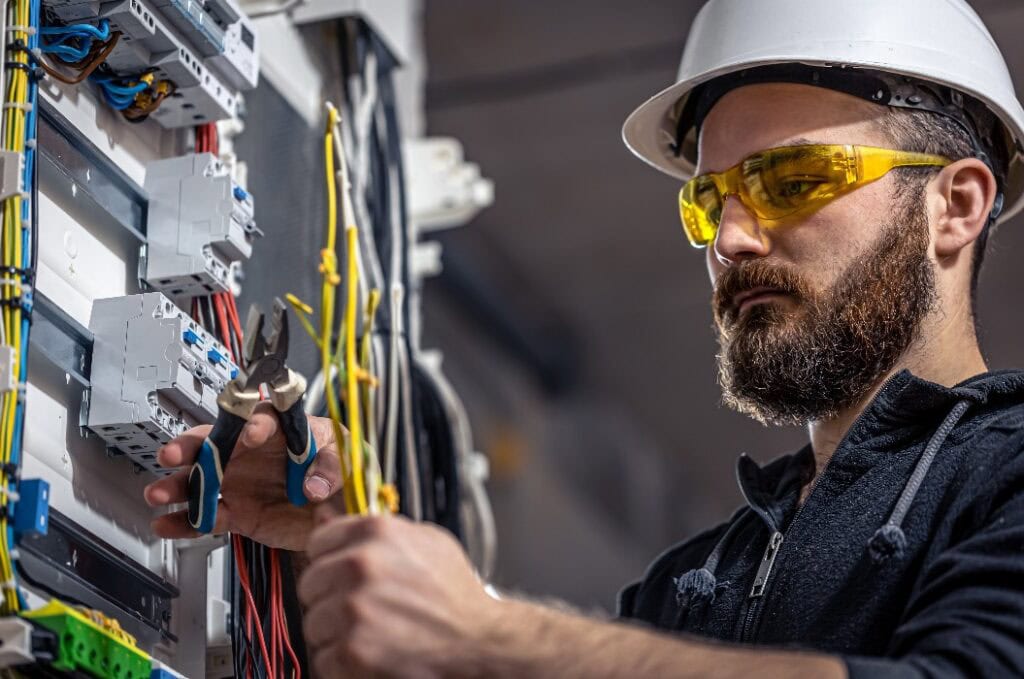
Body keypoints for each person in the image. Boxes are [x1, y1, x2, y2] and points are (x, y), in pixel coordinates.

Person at [144, 0, 1024, 676]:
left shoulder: (1003, 478)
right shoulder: (694, 583)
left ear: (956, 205)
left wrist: (487, 633)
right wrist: (355, 545)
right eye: (709, 200)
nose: (731, 240)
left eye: (791, 178)